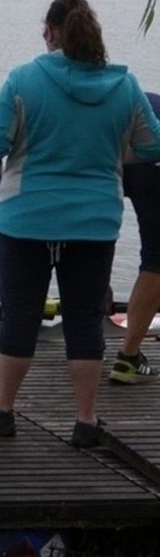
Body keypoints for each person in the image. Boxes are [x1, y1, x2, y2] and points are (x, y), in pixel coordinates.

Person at [0, 0, 160, 448]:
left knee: (20, 316)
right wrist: (110, 153)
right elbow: (153, 146)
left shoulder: (23, 79)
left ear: (51, 33)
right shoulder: (124, 86)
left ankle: (3, 411)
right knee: (85, 320)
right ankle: (86, 421)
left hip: (27, 220)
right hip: (94, 222)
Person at [110, 91, 160, 385]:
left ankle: (85, 334)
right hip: (151, 159)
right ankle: (128, 357)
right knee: (157, 259)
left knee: (85, 242)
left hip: (105, 156)